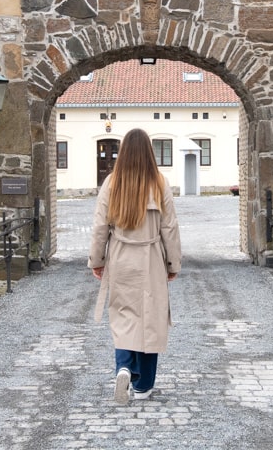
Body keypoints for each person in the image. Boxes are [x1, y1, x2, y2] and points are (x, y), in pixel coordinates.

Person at [89, 127, 182, 404]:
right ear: (149, 153)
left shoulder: (111, 183)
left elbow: (99, 227)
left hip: (120, 258)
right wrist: (173, 263)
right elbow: (170, 229)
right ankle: (143, 386)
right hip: (150, 258)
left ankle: (124, 368)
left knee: (124, 316)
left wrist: (97, 260)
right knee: (150, 319)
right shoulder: (160, 183)